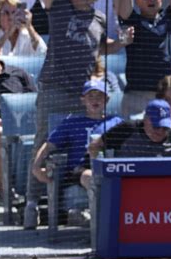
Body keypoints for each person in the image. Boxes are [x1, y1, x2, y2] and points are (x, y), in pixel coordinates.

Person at [8, 0, 127, 228]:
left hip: (84, 94)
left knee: (82, 146)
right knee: (42, 143)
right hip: (53, 89)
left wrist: (121, 42)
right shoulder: (58, 7)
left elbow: (100, 47)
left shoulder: (99, 19)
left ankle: (71, 204)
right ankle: (33, 204)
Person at [31, 80, 123, 226]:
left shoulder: (117, 122)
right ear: (82, 100)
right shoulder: (72, 122)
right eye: (90, 96)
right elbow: (48, 146)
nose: (95, 100)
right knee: (89, 176)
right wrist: (36, 167)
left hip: (110, 168)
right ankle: (102, 223)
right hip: (79, 171)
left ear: (107, 99)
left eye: (100, 96)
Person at [0, 35, 36, 202]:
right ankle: (6, 192)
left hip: (24, 124)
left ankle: (36, 196)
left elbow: (34, 100)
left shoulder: (18, 73)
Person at [87, 99, 171, 159]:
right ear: (146, 119)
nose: (161, 131)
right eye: (156, 126)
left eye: (165, 127)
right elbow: (95, 146)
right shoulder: (127, 129)